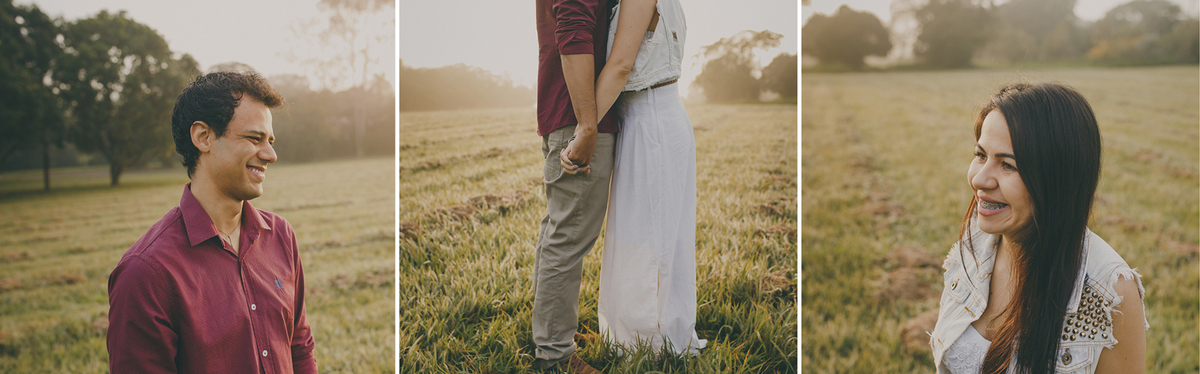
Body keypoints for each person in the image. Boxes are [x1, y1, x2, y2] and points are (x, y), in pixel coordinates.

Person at [928, 83, 1147, 374]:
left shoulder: (1109, 294)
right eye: (980, 155)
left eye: (1008, 165)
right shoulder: (973, 246)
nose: (979, 179)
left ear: (1058, 177)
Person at [107, 71, 317, 373]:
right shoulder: (146, 273)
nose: (270, 154)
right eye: (254, 138)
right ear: (203, 137)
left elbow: (299, 347)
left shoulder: (281, 235)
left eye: (270, 140)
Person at [560, 0, 707, 356]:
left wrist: (584, 129)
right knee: (642, 232)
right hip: (652, 115)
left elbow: (621, 66)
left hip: (650, 119)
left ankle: (651, 340)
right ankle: (633, 329)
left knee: (650, 235)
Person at [532, 0, 619, 372]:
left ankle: (548, 331)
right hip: (578, 118)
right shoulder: (584, 123)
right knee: (567, 237)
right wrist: (587, 126)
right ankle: (554, 354)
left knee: (558, 230)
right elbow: (573, 32)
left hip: (568, 113)